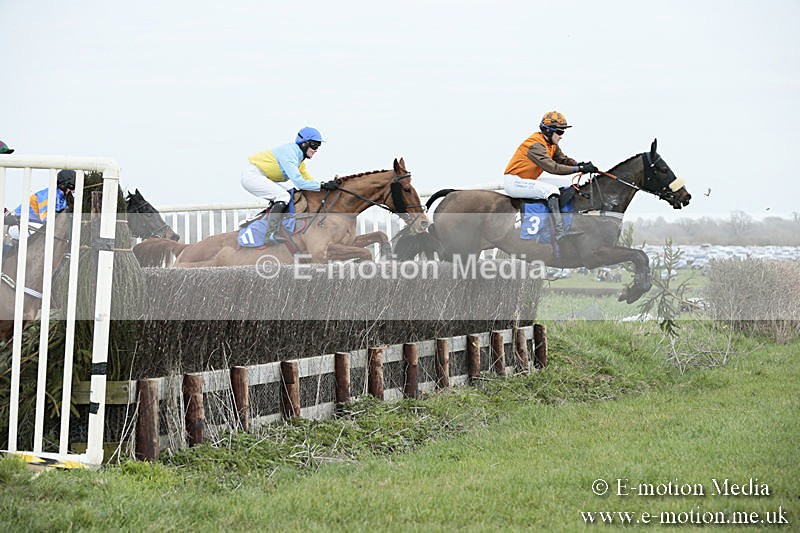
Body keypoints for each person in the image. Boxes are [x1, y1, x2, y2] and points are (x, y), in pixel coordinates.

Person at [503, 111, 598, 241]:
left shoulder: (551, 144)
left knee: (568, 184)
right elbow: (553, 168)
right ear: (548, 131)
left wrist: (579, 164)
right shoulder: (535, 145)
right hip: (514, 182)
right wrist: (579, 169)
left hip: (529, 179)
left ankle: (565, 221)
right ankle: (559, 231)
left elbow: (562, 159)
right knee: (551, 190)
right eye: (560, 132)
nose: (561, 136)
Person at [241, 127, 338, 241]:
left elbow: (308, 180)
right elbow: (300, 183)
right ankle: (270, 234)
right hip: (252, 176)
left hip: (260, 177)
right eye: (314, 145)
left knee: (286, 195)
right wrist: (322, 185)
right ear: (304, 144)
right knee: (283, 196)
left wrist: (325, 187)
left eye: (318, 146)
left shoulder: (299, 160)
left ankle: (260, 220)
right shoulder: (290, 152)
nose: (316, 149)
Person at [6, 169, 75, 242]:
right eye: (73, 187)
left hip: (35, 224)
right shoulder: (48, 195)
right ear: (65, 185)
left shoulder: (63, 198)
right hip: (19, 223)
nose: (74, 191)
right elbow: (46, 219)